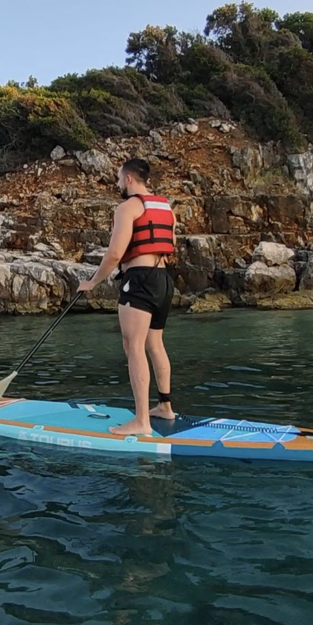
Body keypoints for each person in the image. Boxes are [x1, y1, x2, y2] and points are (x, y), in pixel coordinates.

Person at [78, 157, 177, 436]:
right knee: (154, 343)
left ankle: (141, 421)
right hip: (163, 280)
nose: (118, 183)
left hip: (140, 280)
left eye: (119, 178)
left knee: (133, 347)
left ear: (130, 179)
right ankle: (165, 407)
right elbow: (171, 242)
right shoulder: (165, 206)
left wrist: (93, 282)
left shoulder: (127, 207)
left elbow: (115, 253)